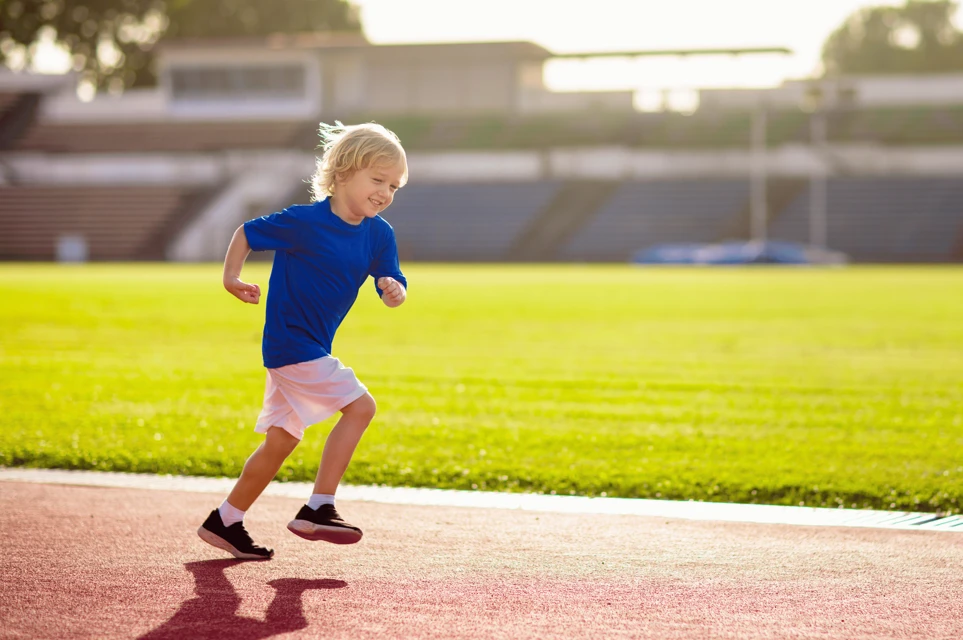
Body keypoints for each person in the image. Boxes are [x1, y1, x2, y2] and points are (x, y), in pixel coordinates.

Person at [197, 122, 408, 559]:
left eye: (393, 185)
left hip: (309, 349)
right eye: (378, 180)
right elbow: (247, 233)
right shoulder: (304, 222)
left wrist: (393, 288)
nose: (386, 192)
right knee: (361, 406)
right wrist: (231, 277)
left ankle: (226, 520)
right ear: (344, 172)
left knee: (281, 440)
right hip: (291, 345)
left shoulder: (378, 233)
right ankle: (319, 506)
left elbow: (392, 283)